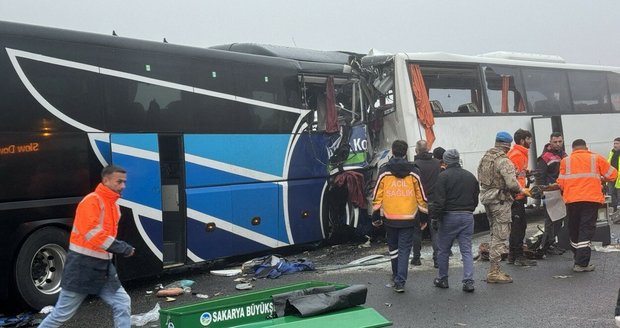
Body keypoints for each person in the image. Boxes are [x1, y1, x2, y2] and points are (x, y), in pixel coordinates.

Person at [39, 165, 135, 328]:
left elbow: (103, 237)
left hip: (102, 267)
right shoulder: (92, 201)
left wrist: (118, 249)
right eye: (119, 182)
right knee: (61, 314)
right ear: (106, 180)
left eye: (124, 182)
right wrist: (122, 248)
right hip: (82, 266)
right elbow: (93, 233)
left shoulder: (114, 206)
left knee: (122, 302)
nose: (123, 186)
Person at [372, 140, 428, 293]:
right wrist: (423, 218)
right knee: (404, 250)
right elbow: (421, 196)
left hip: (390, 218)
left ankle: (396, 275)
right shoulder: (414, 172)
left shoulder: (384, 171)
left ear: (392, 151)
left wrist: (376, 215)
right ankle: (400, 281)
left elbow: (377, 194)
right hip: (409, 218)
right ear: (405, 153)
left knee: (393, 249)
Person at [477, 131, 530, 284]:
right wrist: (522, 190)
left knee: (494, 233)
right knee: (500, 235)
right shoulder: (503, 160)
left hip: (487, 198)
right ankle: (494, 271)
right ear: (507, 146)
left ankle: (495, 269)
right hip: (500, 201)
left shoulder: (486, 158)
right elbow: (512, 184)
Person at [557, 139, 617, 272]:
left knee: (574, 228)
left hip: (572, 200)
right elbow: (613, 175)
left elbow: (561, 183)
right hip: (591, 199)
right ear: (586, 147)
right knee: (586, 229)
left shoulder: (565, 161)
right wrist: (600, 179)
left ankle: (577, 257)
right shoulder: (596, 158)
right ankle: (582, 263)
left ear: (573, 149)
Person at [430, 149, 479, 292]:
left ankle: (443, 279)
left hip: (449, 216)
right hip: (467, 216)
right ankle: (468, 281)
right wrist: (469, 209)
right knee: (466, 250)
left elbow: (439, 201)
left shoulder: (443, 177)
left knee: (443, 250)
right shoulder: (470, 176)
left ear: (445, 161)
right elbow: (475, 197)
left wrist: (435, 217)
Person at [507, 129, 537, 266]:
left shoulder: (520, 153)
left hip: (518, 195)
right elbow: (511, 177)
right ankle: (517, 256)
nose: (531, 141)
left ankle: (513, 255)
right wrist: (521, 190)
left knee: (518, 226)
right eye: (529, 139)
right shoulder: (517, 154)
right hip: (515, 196)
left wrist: (527, 173)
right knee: (518, 227)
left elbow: (518, 173)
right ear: (522, 140)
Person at [535, 132, 568, 255]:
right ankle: (547, 246)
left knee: (559, 219)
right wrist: (542, 191)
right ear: (550, 142)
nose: (558, 144)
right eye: (555, 142)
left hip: (562, 192)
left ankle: (551, 243)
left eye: (560, 141)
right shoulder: (545, 157)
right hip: (550, 193)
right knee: (550, 221)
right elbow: (540, 176)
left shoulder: (564, 155)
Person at [411, 140, 441, 268]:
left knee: (417, 230)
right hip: (434, 200)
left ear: (416, 151)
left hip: (419, 203)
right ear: (428, 149)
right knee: (435, 231)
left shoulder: (414, 165)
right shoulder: (437, 163)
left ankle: (416, 258)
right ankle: (437, 259)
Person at [608, 137, 620, 213]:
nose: (615, 145)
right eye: (614, 143)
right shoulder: (611, 152)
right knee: (611, 193)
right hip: (611, 176)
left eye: (617, 143)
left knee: (619, 194)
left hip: (619, 177)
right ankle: (614, 209)